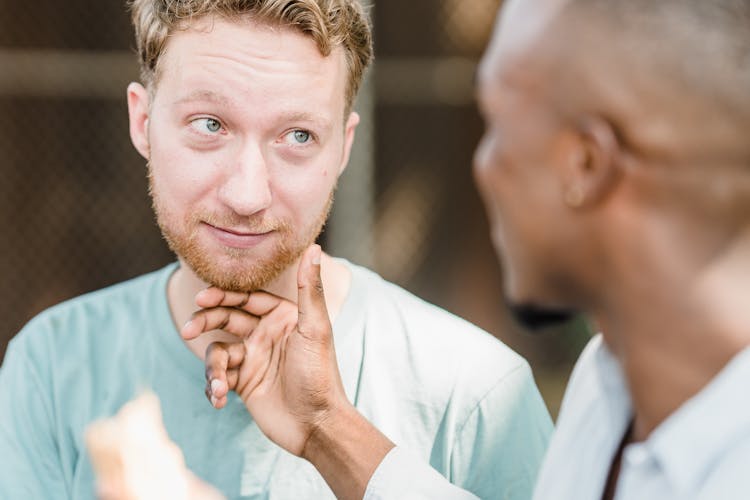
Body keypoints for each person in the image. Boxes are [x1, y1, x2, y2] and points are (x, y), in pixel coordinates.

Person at [176, 0, 750, 498]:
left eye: (497, 124)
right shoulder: (606, 389)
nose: (484, 169)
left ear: (585, 165)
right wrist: (325, 424)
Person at [0, 1, 552, 498]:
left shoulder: (477, 396)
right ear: (142, 123)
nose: (247, 194)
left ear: (344, 147)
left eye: (298, 136)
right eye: (210, 124)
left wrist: (330, 430)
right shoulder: (48, 368)